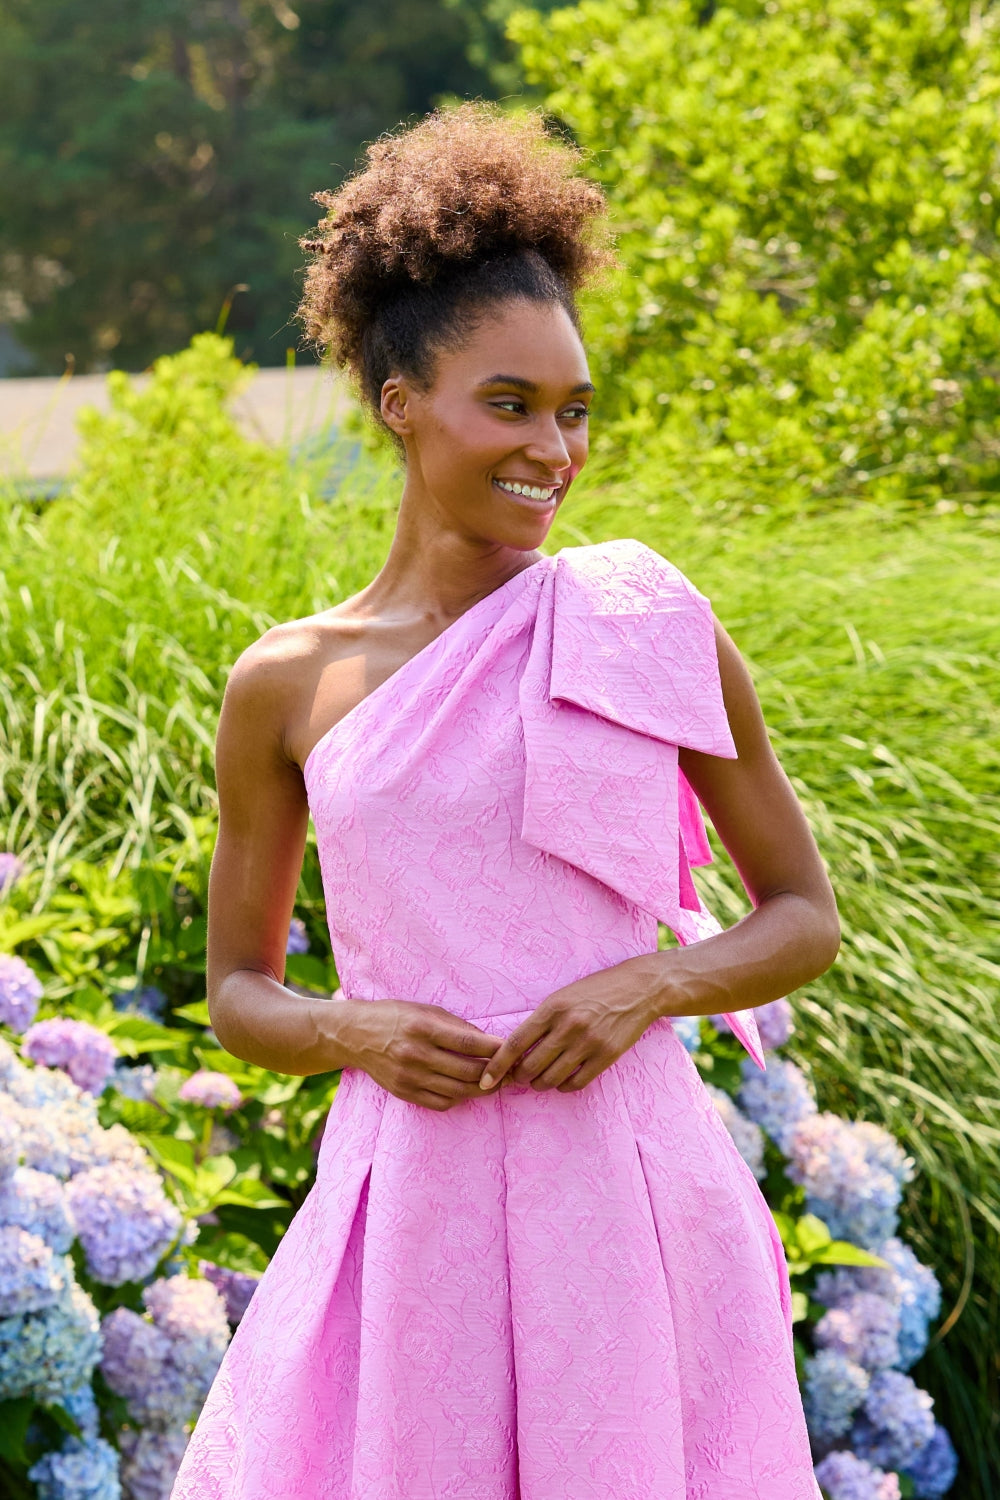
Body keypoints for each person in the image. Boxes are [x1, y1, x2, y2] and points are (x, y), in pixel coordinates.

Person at [168, 102, 839, 1500]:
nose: (554, 448)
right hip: (411, 1212)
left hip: (631, 1193)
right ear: (401, 404)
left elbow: (802, 917)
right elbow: (238, 989)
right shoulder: (286, 686)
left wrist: (645, 990)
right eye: (512, 405)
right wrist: (347, 1026)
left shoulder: (647, 624)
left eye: (575, 410)